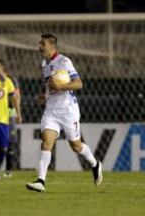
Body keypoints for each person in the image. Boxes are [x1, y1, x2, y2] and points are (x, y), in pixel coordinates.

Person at [26, 34, 102, 192]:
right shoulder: (44, 64)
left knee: (76, 146)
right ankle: (41, 181)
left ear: (52, 46)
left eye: (43, 44)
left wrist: (61, 87)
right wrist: (44, 95)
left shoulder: (64, 61)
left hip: (68, 111)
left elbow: (79, 84)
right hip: (51, 111)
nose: (39, 46)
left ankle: (95, 165)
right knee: (46, 142)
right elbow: (50, 87)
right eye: (40, 43)